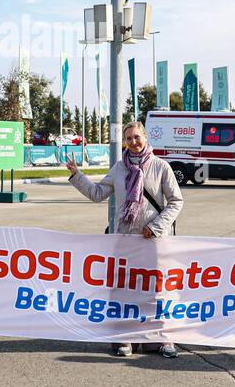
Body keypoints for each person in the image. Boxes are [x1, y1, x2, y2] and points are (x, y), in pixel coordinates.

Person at [65, 120, 184, 358]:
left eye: (137, 137)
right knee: (124, 290)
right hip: (125, 240)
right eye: (128, 138)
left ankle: (159, 339)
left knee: (156, 290)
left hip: (154, 241)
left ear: (146, 138)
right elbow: (98, 194)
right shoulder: (119, 168)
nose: (133, 142)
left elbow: (176, 201)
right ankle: (124, 338)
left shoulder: (161, 167)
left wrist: (156, 226)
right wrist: (78, 176)